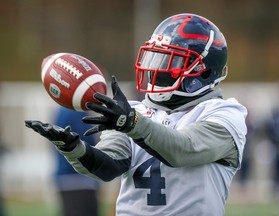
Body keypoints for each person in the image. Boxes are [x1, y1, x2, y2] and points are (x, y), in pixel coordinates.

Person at [25, 13, 247, 216]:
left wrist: (132, 123)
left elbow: (183, 149)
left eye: (171, 60)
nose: (157, 69)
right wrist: (74, 149)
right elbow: (108, 166)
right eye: (156, 58)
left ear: (204, 72)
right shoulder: (136, 111)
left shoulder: (225, 114)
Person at [51, 106, 101, 216]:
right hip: (78, 180)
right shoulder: (75, 112)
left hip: (69, 179)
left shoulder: (63, 110)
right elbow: (87, 141)